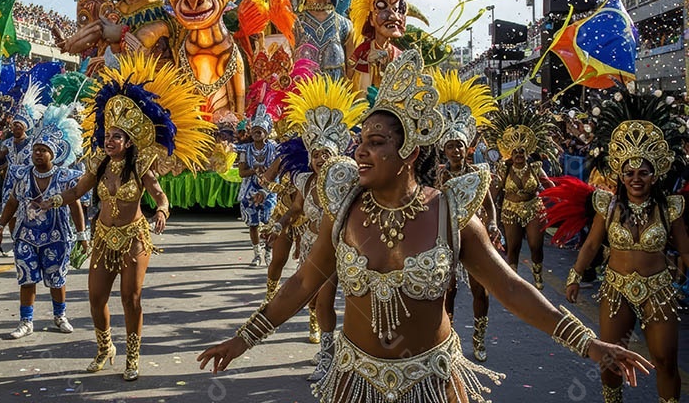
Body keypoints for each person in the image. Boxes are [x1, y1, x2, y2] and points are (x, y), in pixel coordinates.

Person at [198, 50, 652, 403]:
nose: (360, 152)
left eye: (376, 144)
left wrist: (588, 342)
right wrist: (243, 340)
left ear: (411, 153)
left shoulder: (450, 215)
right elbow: (301, 283)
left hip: (433, 381)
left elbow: (510, 288)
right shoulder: (344, 210)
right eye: (360, 142)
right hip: (354, 379)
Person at [45, 53, 213, 381]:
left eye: (116, 137)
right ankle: (105, 347)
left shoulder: (140, 166)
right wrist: (49, 201)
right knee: (95, 298)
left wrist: (162, 209)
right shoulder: (98, 165)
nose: (109, 141)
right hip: (105, 236)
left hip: (134, 237)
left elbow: (159, 194)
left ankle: (132, 356)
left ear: (128, 141)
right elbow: (75, 193)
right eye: (107, 135)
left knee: (130, 298)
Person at [551, 89, 689, 403]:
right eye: (629, 173)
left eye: (643, 173)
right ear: (620, 174)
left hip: (659, 289)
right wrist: (574, 276)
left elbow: (685, 250)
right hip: (616, 289)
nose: (636, 179)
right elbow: (589, 245)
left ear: (655, 175)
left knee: (666, 360)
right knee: (611, 362)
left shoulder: (670, 208)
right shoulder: (608, 206)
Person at [269, 73, 365, 380]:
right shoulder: (306, 181)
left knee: (327, 301)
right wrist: (281, 221)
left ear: (337, 154)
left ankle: (329, 357)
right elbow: (297, 208)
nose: (320, 159)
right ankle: (332, 351)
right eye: (316, 154)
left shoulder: (351, 181)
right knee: (315, 302)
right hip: (311, 244)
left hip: (341, 249)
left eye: (326, 154)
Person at [0, 104, 88, 339]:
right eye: (35, 149)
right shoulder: (22, 174)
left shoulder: (64, 176)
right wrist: (0, 225)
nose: (37, 154)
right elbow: (13, 202)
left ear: (52, 154)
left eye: (43, 150)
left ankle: (60, 316)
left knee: (57, 279)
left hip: (57, 235)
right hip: (26, 235)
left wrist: (81, 235)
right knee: (26, 278)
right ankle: (26, 321)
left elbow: (75, 204)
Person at [431, 70, 499, 362]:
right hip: (446, 238)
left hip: (473, 236)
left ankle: (479, 338)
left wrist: (493, 222)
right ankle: (449, 340)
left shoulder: (478, 174)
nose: (455, 150)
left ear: (466, 147)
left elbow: (488, 204)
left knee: (479, 290)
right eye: (450, 146)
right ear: (444, 150)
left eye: (459, 145)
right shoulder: (438, 177)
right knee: (448, 291)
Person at [488, 95, 558, 289]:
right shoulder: (503, 169)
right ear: (510, 153)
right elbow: (493, 194)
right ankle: (514, 280)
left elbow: (550, 186)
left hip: (533, 208)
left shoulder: (535, 168)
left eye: (522, 151)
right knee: (514, 247)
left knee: (536, 246)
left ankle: (537, 274)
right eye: (515, 152)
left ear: (527, 152)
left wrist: (562, 197)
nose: (519, 155)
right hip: (510, 210)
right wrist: (487, 213)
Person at [236, 105, 279, 267]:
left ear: (266, 133)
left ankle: (268, 250)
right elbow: (241, 173)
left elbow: (277, 169)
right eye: (254, 130)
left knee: (269, 222)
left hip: (269, 189)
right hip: (250, 189)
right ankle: (256, 254)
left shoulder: (274, 149)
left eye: (260, 131)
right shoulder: (244, 150)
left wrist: (266, 174)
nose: (256, 133)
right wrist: (254, 170)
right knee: (253, 223)